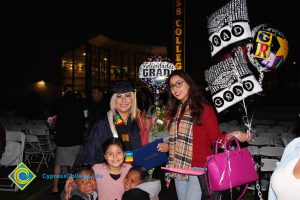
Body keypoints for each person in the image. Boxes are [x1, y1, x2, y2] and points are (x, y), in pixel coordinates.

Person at [157, 70, 252, 200]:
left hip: (198, 169)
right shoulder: (177, 110)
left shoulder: (204, 109)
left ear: (189, 84)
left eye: (179, 83)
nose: (175, 89)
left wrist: (232, 135)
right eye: (172, 86)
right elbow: (179, 140)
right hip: (178, 167)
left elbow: (216, 139)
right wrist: (168, 146)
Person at [73, 80, 141, 166]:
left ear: (133, 99)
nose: (123, 100)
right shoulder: (103, 125)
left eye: (127, 96)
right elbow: (90, 152)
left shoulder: (139, 122)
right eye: (119, 96)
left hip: (135, 173)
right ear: (114, 100)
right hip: (110, 173)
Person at [51, 84, 85, 193]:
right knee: (73, 164)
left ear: (64, 91)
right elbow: (83, 119)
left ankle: (55, 187)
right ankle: (72, 187)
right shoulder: (78, 102)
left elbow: (52, 120)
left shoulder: (58, 102)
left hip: (63, 138)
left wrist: (53, 131)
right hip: (76, 137)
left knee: (58, 163)